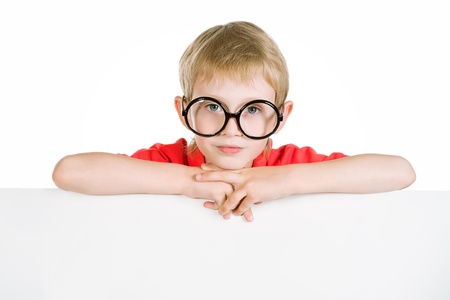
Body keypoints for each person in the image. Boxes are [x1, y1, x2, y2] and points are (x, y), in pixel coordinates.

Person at [52, 21, 416, 222]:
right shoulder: (168, 161)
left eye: (253, 110)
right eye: (213, 106)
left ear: (282, 116)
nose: (231, 127)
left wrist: (285, 180)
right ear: (184, 110)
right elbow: (71, 172)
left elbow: (400, 172)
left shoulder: (288, 164)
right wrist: (187, 183)